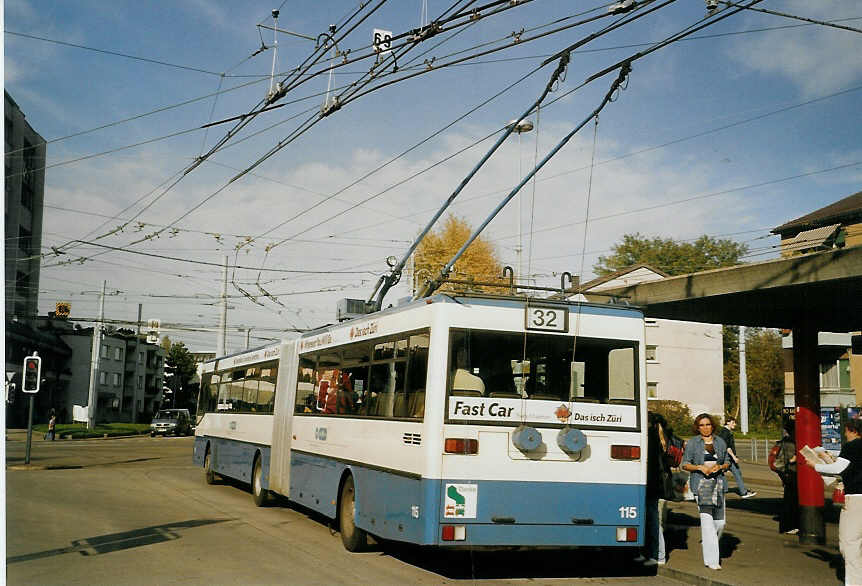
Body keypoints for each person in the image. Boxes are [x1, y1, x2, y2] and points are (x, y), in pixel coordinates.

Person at [802, 418, 862, 586]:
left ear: (852, 430)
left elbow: (838, 469)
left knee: (849, 544)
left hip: (856, 500)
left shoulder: (852, 446)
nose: (844, 434)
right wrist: (828, 458)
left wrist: (815, 465)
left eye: (846, 430)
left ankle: (855, 583)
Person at [681, 413, 731, 570]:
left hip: (718, 484)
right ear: (697, 427)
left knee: (720, 523)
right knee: (707, 522)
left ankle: (710, 545)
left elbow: (727, 462)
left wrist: (721, 467)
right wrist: (699, 467)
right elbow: (685, 464)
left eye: (707, 424)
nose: (705, 428)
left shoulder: (720, 441)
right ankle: (712, 560)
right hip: (701, 485)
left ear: (712, 426)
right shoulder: (693, 443)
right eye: (701, 425)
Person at [635, 412, 673, 566]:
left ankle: (657, 555)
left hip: (649, 485)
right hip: (655, 485)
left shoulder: (650, 437)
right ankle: (653, 554)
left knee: (651, 521)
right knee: (652, 520)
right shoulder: (662, 437)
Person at [716, 416, 756, 498]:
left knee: (722, 473)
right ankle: (743, 492)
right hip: (728, 457)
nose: (735, 424)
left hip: (725, 457)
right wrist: (734, 457)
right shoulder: (725, 432)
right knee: (737, 473)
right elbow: (727, 447)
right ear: (728, 422)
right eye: (733, 422)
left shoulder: (725, 432)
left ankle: (724, 489)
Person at [777, 420, 799, 534]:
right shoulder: (791, 443)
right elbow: (791, 459)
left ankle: (789, 525)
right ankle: (790, 525)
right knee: (792, 501)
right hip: (792, 473)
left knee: (789, 500)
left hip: (787, 473)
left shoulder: (785, 441)